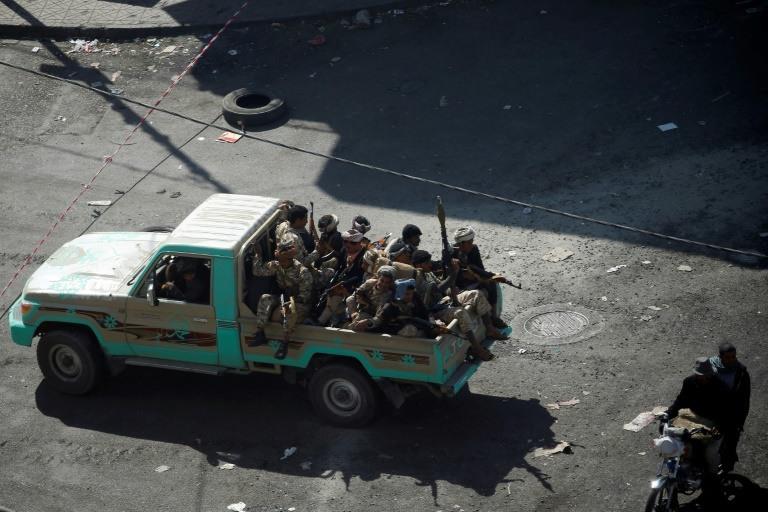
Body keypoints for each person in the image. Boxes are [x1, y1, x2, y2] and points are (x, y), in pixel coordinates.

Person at [411, 250, 500, 360]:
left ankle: (489, 328)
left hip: (444, 301)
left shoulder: (428, 273)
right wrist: (453, 274)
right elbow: (437, 289)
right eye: (427, 263)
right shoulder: (417, 278)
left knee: (476, 294)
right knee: (459, 312)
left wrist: (453, 288)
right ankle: (476, 348)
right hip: (433, 311)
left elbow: (442, 286)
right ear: (418, 265)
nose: (430, 264)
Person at [249, 239, 314, 358]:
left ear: (289, 259)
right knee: (265, 298)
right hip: (284, 298)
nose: (279, 262)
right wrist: (258, 254)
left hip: (300, 303)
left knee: (289, 309)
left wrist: (290, 302)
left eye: (282, 260)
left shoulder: (302, 272)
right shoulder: (277, 265)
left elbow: (305, 297)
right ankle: (260, 333)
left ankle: (284, 344)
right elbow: (258, 271)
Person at [664, 357, 729, 476]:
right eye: (699, 375)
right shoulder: (689, 382)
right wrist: (669, 413)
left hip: (713, 421)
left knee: (710, 452)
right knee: (674, 439)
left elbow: (727, 411)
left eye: (704, 375)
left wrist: (720, 427)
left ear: (710, 374)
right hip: (692, 417)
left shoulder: (721, 387)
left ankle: (713, 475)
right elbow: (681, 400)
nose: (701, 378)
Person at [451, 226, 509, 328]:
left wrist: (492, 276)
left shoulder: (473, 249)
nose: (471, 244)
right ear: (460, 243)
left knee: (491, 283)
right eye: (469, 242)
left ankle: (494, 316)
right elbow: (451, 276)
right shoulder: (451, 254)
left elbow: (479, 268)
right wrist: (462, 274)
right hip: (459, 285)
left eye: (471, 241)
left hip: (473, 279)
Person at [709, 343, 751, 472]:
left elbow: (744, 399)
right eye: (728, 357)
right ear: (720, 357)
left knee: (730, 445)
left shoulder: (741, 372)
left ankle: (726, 472)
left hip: (731, 415)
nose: (732, 360)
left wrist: (741, 421)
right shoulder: (710, 368)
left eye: (733, 357)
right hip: (712, 413)